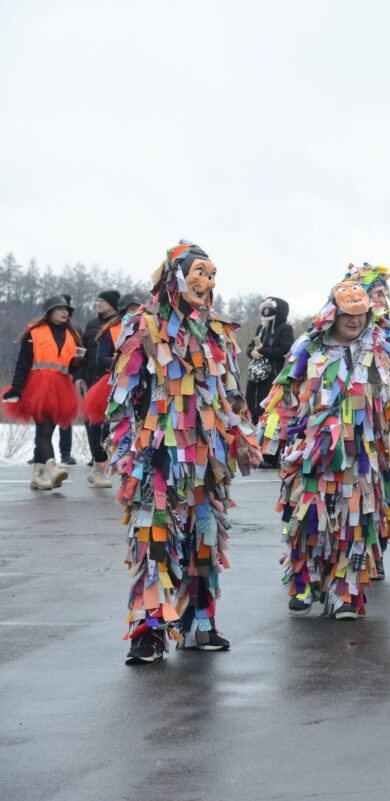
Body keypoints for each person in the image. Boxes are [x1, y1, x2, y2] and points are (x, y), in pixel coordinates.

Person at [107, 241, 262, 664]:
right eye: (197, 271)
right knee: (156, 540)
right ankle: (151, 630)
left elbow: (231, 391)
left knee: (205, 540)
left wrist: (244, 438)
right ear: (173, 274)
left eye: (211, 274)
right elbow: (122, 397)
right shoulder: (142, 325)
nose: (205, 281)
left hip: (208, 457)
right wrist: (122, 446)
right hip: (156, 456)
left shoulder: (218, 330)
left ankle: (200, 623)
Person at [257, 277, 390, 620]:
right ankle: (305, 582)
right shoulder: (308, 349)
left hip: (362, 456)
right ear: (332, 314)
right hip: (314, 454)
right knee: (307, 518)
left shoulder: (379, 352)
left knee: (355, 525)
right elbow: (285, 393)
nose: (354, 321)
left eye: (361, 314)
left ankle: (345, 593)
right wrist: (271, 435)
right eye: (347, 314)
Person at [3, 296, 83, 490]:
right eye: (60, 309)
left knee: (47, 430)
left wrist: (77, 365)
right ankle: (52, 466)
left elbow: (73, 366)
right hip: (38, 386)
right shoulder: (35, 332)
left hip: (61, 387)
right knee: (44, 428)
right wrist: (16, 387)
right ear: (50, 311)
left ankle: (37, 477)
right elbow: (23, 363)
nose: (65, 312)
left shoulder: (73, 335)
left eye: (67, 310)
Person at [78, 290, 121, 478]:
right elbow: (82, 352)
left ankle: (103, 458)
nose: (98, 303)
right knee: (92, 422)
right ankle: (96, 460)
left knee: (108, 423)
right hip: (92, 379)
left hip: (112, 380)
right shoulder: (92, 324)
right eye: (97, 300)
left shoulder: (122, 326)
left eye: (102, 301)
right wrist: (79, 375)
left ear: (113, 304)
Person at [244, 296, 294, 429]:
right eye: (264, 309)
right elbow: (250, 346)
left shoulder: (285, 328)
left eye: (269, 309)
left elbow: (286, 350)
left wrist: (263, 351)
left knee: (267, 405)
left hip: (273, 375)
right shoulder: (261, 327)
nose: (266, 311)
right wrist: (252, 352)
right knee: (251, 402)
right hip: (256, 376)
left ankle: (265, 431)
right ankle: (251, 425)